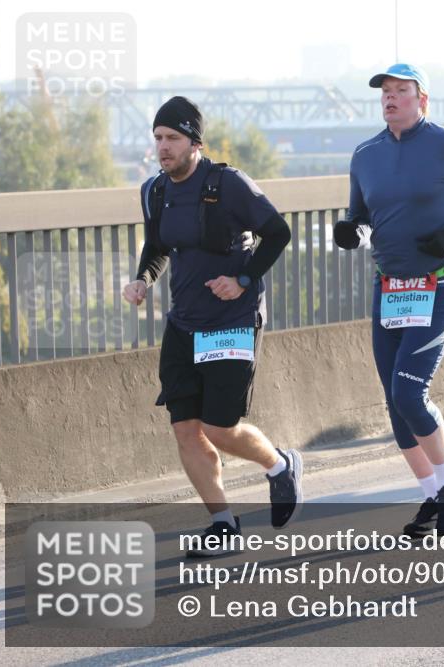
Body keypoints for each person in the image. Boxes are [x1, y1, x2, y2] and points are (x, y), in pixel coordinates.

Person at [122, 96, 302, 556]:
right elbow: (158, 246)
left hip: (232, 320)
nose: (163, 147)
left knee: (220, 428)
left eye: (173, 139)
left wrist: (242, 280)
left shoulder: (227, 184)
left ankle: (280, 465)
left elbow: (278, 232)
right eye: (158, 138)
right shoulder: (155, 191)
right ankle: (222, 523)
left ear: (195, 143)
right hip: (184, 323)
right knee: (186, 429)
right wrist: (143, 280)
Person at [335, 64, 444, 536]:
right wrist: (354, 231)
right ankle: (431, 494)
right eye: (385, 92)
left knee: (410, 389)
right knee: (393, 399)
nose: (390, 98)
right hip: (390, 285)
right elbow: (360, 216)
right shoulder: (365, 154)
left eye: (400, 91)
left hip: (440, 280)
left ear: (421, 100)